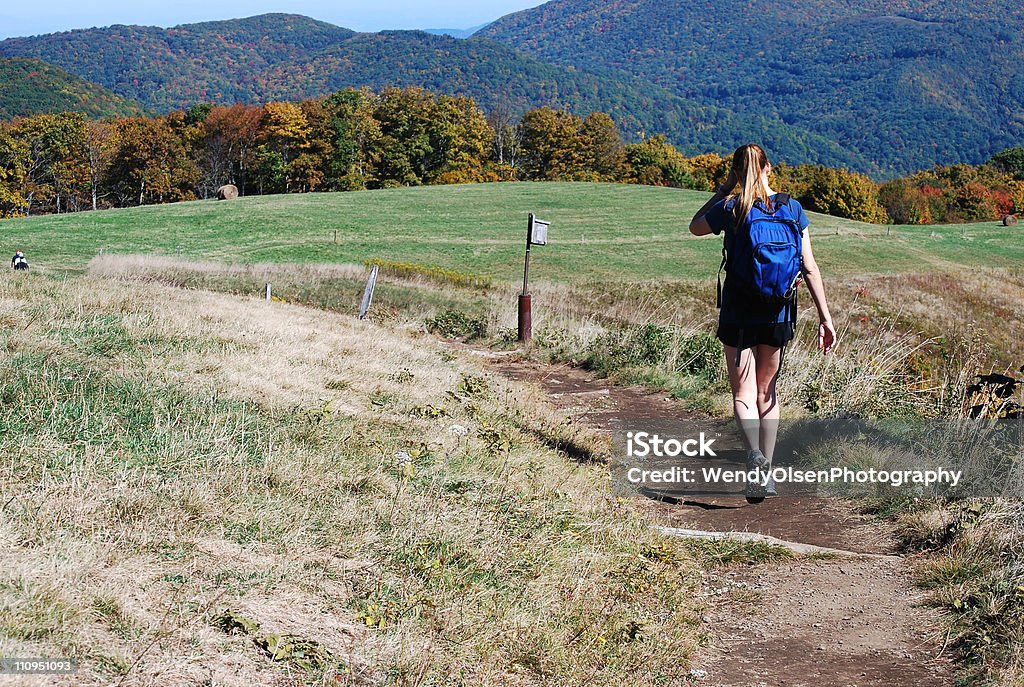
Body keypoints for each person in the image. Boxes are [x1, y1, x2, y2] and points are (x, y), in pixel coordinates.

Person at [689, 143, 836, 501]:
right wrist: (825, 319)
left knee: (743, 393)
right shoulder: (793, 209)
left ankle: (753, 453)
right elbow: (810, 267)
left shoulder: (731, 207)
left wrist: (725, 189)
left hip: (739, 312)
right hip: (779, 311)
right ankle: (766, 472)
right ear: (770, 168)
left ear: (736, 172)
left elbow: (694, 227)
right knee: (767, 392)